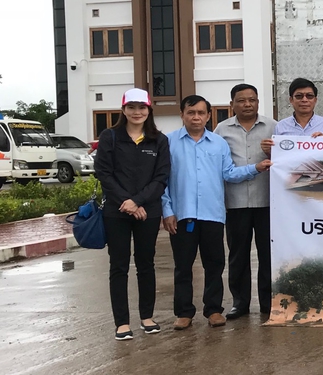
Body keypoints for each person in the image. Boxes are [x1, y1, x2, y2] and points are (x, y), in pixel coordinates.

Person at [162, 95, 272, 331]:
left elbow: (229, 173)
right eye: (191, 112)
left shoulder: (218, 143)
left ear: (208, 116)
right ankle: (184, 312)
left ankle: (213, 310)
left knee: (214, 265)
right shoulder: (169, 142)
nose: (196, 117)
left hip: (212, 214)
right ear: (182, 115)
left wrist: (255, 168)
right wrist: (167, 211)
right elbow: (162, 180)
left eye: (201, 113)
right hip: (181, 214)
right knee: (183, 266)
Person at [94, 88, 170, 341]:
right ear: (123, 110)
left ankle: (147, 317)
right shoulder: (110, 137)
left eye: (142, 108)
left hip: (148, 211)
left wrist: (137, 201)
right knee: (119, 265)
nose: (137, 112)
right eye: (132, 107)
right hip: (117, 212)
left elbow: (161, 177)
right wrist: (126, 202)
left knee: (146, 264)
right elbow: (104, 173)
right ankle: (122, 322)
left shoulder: (159, 140)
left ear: (149, 110)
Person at [214, 84, 277, 320]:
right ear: (232, 104)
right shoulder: (221, 130)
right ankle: (240, 303)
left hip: (267, 201)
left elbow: (287, 158)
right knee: (238, 255)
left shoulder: (273, 127)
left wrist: (272, 153)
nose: (247, 104)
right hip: (236, 202)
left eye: (252, 99)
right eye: (241, 100)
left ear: (258, 102)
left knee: (267, 254)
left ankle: (268, 302)